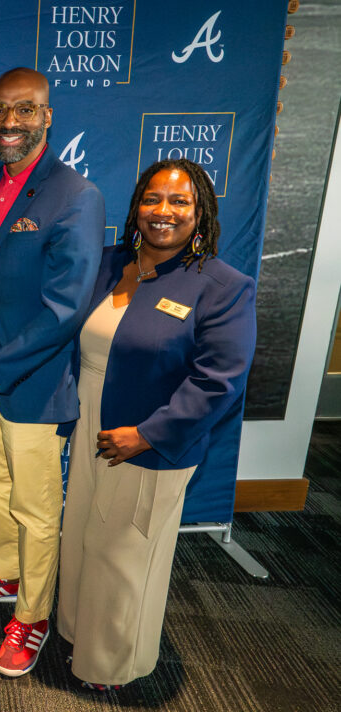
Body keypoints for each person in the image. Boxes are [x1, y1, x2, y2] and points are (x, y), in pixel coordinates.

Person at [57, 159, 256, 690]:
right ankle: (78, 632)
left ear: (201, 212)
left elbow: (219, 382)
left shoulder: (221, 287)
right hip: (90, 424)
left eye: (179, 202)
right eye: (152, 199)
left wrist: (147, 434)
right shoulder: (106, 263)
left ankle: (113, 664)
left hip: (150, 438)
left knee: (123, 552)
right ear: (136, 205)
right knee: (80, 535)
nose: (162, 212)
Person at [0, 67, 103, 677]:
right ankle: (6, 576)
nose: (9, 123)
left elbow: (65, 308)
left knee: (38, 509)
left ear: (46, 116)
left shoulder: (76, 195)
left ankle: (34, 613)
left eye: (24, 110)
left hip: (32, 383)